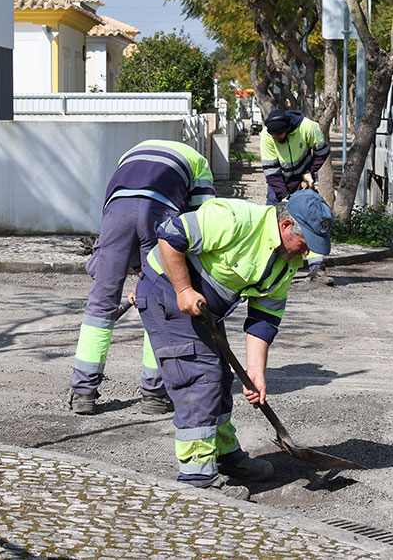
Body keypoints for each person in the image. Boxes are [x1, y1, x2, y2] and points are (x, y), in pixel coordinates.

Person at [134, 190, 334, 499]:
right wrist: (184, 289)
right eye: (305, 243)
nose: (306, 253)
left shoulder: (288, 260)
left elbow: (264, 317)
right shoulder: (235, 219)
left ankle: (225, 454)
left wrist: (256, 372)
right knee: (200, 378)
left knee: (221, 377)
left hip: (205, 309)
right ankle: (197, 479)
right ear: (286, 225)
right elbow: (171, 234)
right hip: (166, 290)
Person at [69, 140, 215, 415]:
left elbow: (122, 207)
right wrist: (175, 280)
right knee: (159, 303)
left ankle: (83, 392)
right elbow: (202, 222)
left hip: (117, 212)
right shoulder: (198, 162)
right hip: (160, 212)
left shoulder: (131, 153)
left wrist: (140, 272)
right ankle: (155, 394)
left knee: (101, 302)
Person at [260, 109, 332, 284]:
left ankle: (317, 268)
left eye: (279, 135)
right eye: (273, 135)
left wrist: (309, 171)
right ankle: (266, 271)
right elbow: (271, 170)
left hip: (302, 180)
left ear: (288, 128)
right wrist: (284, 196)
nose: (276, 138)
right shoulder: (267, 135)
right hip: (279, 181)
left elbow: (322, 151)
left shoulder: (308, 127)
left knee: (312, 222)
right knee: (272, 224)